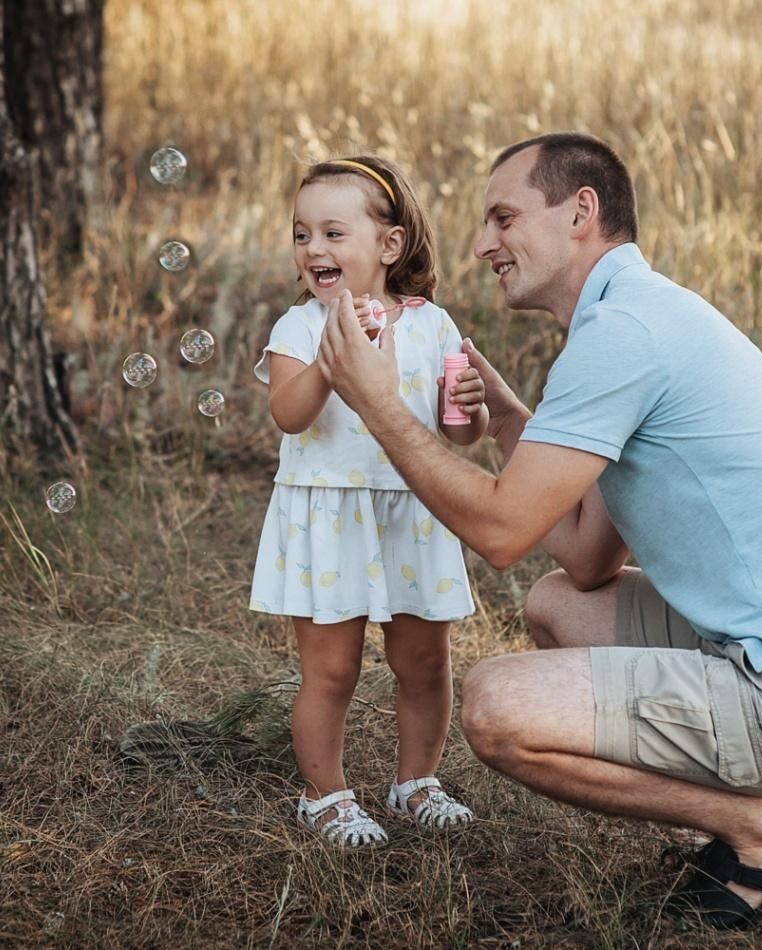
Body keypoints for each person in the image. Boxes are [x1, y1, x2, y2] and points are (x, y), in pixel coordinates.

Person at [313, 133, 762, 928]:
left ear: (580, 212)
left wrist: (378, 405)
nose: (481, 244)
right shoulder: (637, 314)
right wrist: (505, 418)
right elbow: (588, 558)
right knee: (557, 604)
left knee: (496, 708)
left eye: (504, 216)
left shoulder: (621, 337)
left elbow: (499, 532)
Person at [248, 155, 489, 848]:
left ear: (389, 245)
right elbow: (289, 416)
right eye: (300, 235)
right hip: (330, 514)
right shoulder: (300, 327)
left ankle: (416, 782)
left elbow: (458, 433)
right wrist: (330, 356)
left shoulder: (432, 325)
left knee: (424, 662)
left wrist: (468, 408)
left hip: (410, 511)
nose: (312, 250)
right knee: (332, 669)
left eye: (331, 233)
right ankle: (324, 796)